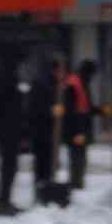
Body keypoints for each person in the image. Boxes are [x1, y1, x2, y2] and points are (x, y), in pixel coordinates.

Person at [0, 45, 25, 216]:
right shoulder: (5, 73)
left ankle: (5, 201)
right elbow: (5, 101)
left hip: (5, 125)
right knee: (9, 166)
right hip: (7, 126)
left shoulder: (0, 71)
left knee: (9, 166)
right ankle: (3, 203)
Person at [28, 55, 62, 203]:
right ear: (54, 70)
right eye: (59, 71)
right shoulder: (42, 83)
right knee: (42, 163)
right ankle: (41, 193)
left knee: (47, 163)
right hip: (41, 131)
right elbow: (36, 107)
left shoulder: (52, 83)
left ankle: (46, 191)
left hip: (48, 131)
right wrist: (51, 110)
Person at [62, 58, 99, 189]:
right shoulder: (73, 84)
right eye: (92, 74)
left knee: (80, 158)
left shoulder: (83, 83)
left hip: (81, 127)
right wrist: (77, 132)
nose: (92, 77)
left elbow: (86, 107)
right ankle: (75, 184)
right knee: (77, 158)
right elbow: (70, 111)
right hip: (75, 129)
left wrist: (101, 111)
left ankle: (78, 184)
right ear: (87, 72)